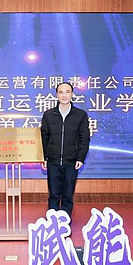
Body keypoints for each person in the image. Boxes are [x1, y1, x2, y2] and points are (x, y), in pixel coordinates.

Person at [40, 82, 90, 217]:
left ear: (72, 94)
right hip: (53, 161)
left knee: (68, 195)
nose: (64, 95)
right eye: (61, 92)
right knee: (54, 194)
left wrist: (80, 158)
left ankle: (65, 222)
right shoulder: (49, 115)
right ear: (57, 95)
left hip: (72, 161)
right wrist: (43, 157)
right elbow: (44, 137)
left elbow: (84, 138)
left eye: (67, 92)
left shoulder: (80, 115)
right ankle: (53, 222)